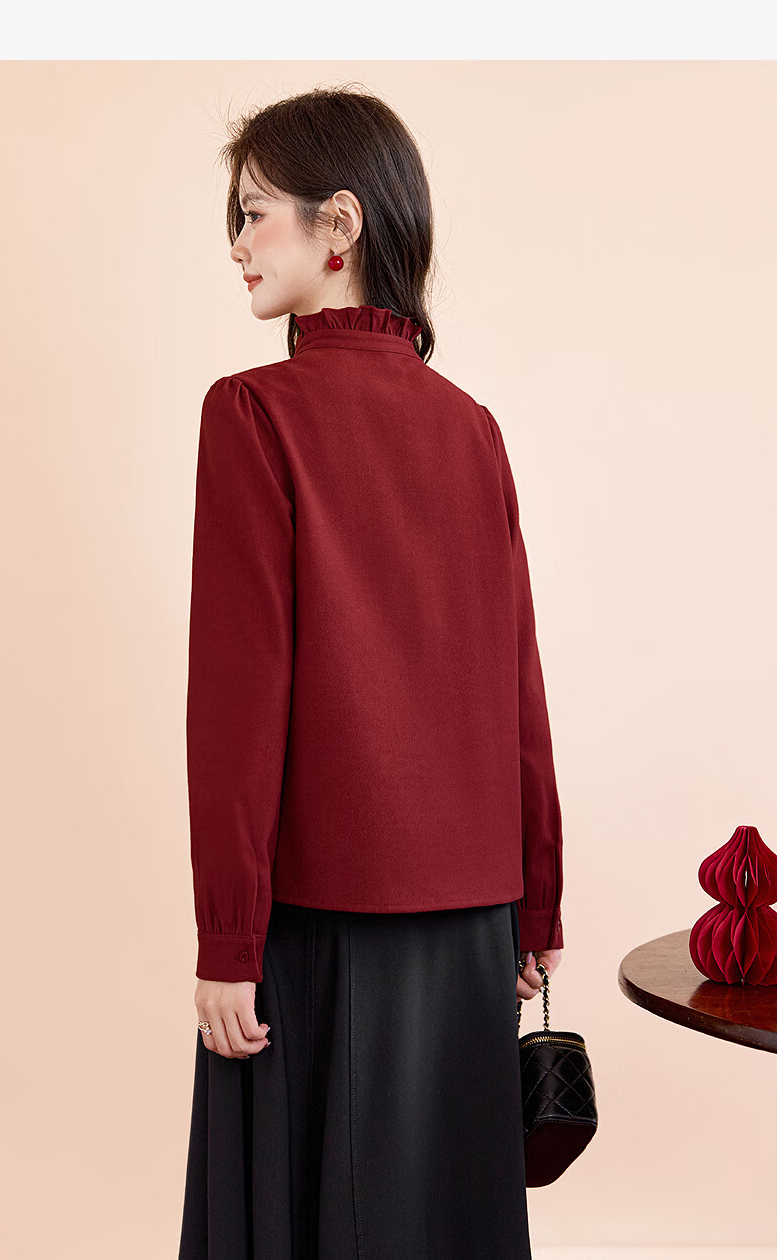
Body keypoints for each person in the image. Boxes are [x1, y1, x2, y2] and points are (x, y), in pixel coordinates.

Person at [178, 85, 564, 1260]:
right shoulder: (471, 426)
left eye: (254, 214)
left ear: (337, 223)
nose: (237, 245)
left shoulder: (252, 415)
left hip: (317, 927)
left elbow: (238, 705)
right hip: (473, 924)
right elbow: (518, 684)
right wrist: (537, 902)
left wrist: (228, 940)